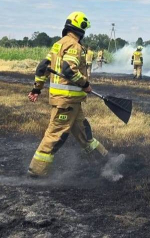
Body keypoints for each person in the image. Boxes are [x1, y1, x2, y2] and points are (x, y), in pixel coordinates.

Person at [27, 11, 108, 177]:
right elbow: (68, 70)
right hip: (66, 102)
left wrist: (37, 88)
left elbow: (43, 67)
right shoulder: (75, 46)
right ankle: (36, 171)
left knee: (85, 134)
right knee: (55, 135)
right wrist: (85, 84)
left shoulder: (58, 44)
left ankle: (105, 162)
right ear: (81, 28)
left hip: (72, 103)